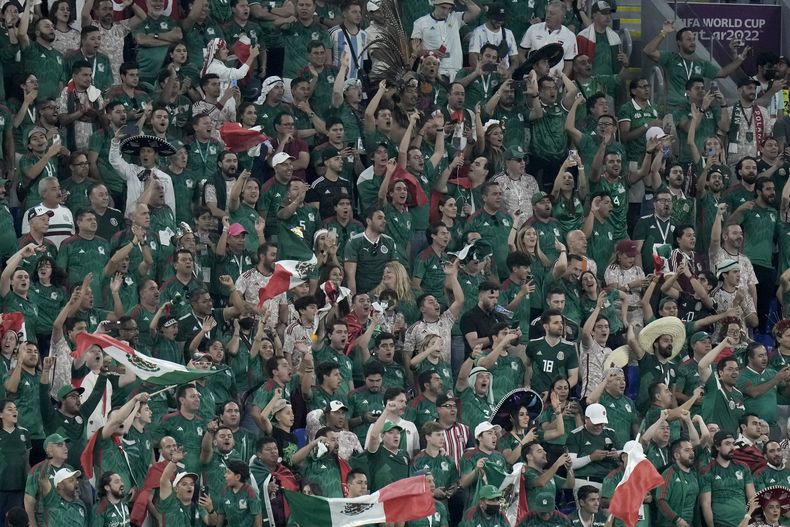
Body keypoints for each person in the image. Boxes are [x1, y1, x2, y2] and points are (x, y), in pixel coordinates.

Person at [411, 0, 481, 80]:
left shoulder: (455, 18)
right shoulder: (420, 23)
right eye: (443, 8)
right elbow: (415, 50)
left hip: (456, 71)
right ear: (435, 5)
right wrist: (431, 52)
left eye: (449, 9)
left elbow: (476, 10)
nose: (445, 12)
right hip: (433, 72)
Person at [700, 431, 756, 527]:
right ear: (717, 447)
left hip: (745, 522)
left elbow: (752, 497)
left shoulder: (743, 467)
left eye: (733, 444)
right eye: (727, 444)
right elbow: (706, 504)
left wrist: (752, 520)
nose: (732, 447)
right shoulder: (707, 470)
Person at [567, 403, 621, 492]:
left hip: (608, 483)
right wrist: (591, 458)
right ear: (586, 419)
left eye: (602, 423)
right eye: (596, 423)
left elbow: (624, 455)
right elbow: (571, 464)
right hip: (585, 481)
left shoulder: (610, 433)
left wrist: (617, 455)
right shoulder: (575, 435)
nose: (599, 426)